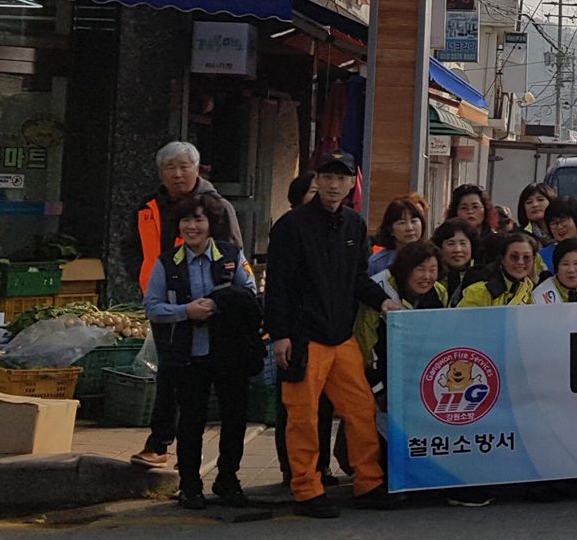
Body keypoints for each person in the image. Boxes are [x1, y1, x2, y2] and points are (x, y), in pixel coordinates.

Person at [264, 152, 399, 518]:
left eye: (342, 178)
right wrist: (280, 335)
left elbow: (359, 279)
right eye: (327, 177)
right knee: (303, 418)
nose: (334, 184)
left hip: (342, 338)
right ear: (317, 181)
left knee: (362, 411)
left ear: (352, 183)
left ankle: (368, 483)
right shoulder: (291, 225)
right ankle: (306, 490)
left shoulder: (355, 225)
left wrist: (384, 302)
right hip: (304, 339)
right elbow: (277, 286)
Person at [130, 140, 245, 470]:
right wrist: (144, 278)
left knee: (205, 384)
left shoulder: (217, 206)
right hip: (166, 304)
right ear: (160, 172)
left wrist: (217, 300)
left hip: (212, 307)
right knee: (170, 372)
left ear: (198, 169)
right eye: (170, 168)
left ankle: (194, 457)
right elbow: (131, 246)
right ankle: (160, 443)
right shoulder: (148, 205)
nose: (177, 174)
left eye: (184, 167)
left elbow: (233, 252)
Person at [145, 193, 260, 509]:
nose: (191, 226)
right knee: (190, 422)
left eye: (199, 219)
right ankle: (190, 485)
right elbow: (152, 307)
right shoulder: (167, 263)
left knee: (234, 419)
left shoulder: (231, 255)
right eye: (186, 220)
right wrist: (186, 311)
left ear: (211, 224)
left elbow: (250, 293)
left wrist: (217, 303)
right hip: (188, 357)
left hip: (230, 354)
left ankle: (228, 480)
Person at [356, 240, 447, 389]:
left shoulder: (439, 292)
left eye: (433, 269)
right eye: (420, 269)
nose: (427, 276)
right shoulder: (379, 290)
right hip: (382, 369)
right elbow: (365, 343)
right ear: (405, 270)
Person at [459, 232, 546, 307]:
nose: (520, 262)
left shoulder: (529, 286)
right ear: (502, 259)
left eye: (526, 257)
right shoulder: (479, 291)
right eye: (514, 257)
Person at [368, 197, 428, 276]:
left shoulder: (432, 258)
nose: (410, 228)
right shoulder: (377, 263)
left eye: (414, 221)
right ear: (390, 230)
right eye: (402, 222)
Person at [431, 219, 482, 308]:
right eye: (451, 244)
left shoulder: (482, 278)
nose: (457, 250)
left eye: (463, 243)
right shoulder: (432, 279)